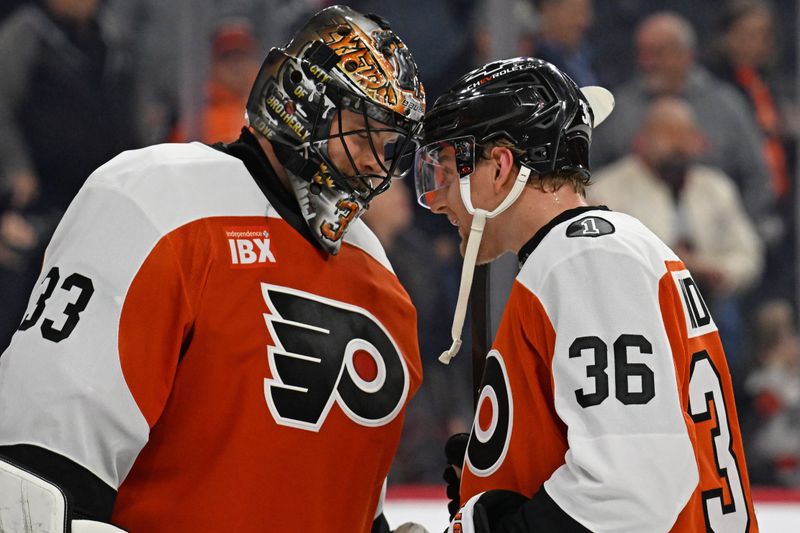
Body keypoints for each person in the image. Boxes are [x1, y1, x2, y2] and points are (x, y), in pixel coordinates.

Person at [0, 6, 426, 533]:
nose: (373, 165)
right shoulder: (154, 199)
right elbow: (38, 479)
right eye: (362, 135)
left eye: (389, 148)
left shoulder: (377, 273)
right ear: (301, 104)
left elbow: (342, 498)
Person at [414, 57, 759, 531]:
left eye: (448, 173)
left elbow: (630, 488)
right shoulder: (586, 253)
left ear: (499, 166)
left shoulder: (587, 260)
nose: (437, 200)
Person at [589, 95, 763, 372]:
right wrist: (672, 265)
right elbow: (600, 266)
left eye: (685, 134)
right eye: (668, 134)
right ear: (642, 139)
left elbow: (747, 253)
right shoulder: (606, 190)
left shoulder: (716, 188)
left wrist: (718, 271)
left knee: (730, 321)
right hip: (638, 309)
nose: (678, 144)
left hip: (709, 299)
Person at [590, 12, 778, 245]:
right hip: (634, 241)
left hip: (717, 241)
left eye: (659, 53)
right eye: (643, 53)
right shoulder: (619, 109)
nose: (648, 63)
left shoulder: (726, 105)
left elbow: (759, 177)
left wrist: (734, 234)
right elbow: (591, 174)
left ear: (686, 55)